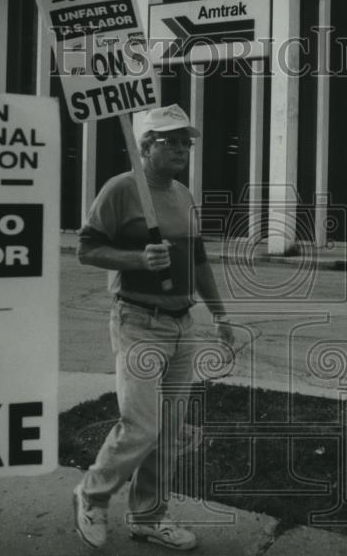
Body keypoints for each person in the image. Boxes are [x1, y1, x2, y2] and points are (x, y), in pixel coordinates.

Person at [72, 104, 233, 552]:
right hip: (138, 322)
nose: (182, 148)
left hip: (183, 326)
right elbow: (86, 248)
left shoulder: (183, 195)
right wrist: (137, 259)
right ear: (145, 146)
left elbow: (198, 261)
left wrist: (219, 315)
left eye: (186, 141)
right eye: (170, 140)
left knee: (169, 430)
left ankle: (148, 517)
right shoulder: (122, 189)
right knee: (140, 425)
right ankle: (92, 494)